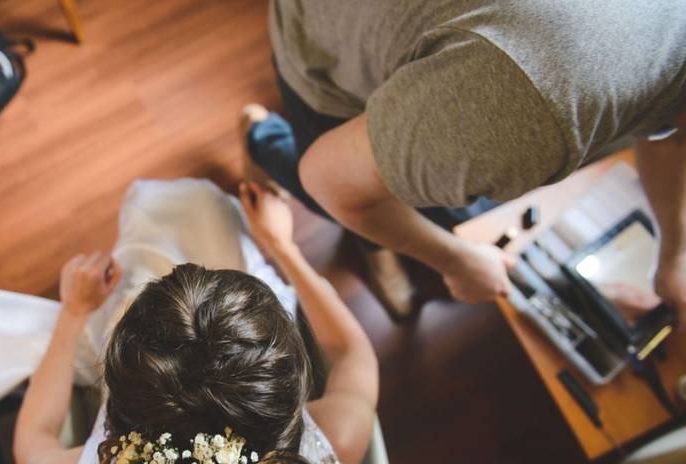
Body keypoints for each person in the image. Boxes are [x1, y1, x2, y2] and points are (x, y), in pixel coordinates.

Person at [11, 179, 378, 464]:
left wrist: (74, 314)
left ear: (115, 398)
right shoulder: (340, 438)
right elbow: (351, 353)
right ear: (292, 392)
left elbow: (35, 435)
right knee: (194, 210)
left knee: (159, 211)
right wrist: (283, 247)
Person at [244, 0, 686, 322]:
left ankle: (377, 226)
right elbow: (329, 179)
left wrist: (672, 255)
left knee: (418, 188)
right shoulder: (528, 113)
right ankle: (261, 138)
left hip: (452, 58)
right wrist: (458, 263)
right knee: (357, 195)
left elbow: (665, 132)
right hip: (329, 39)